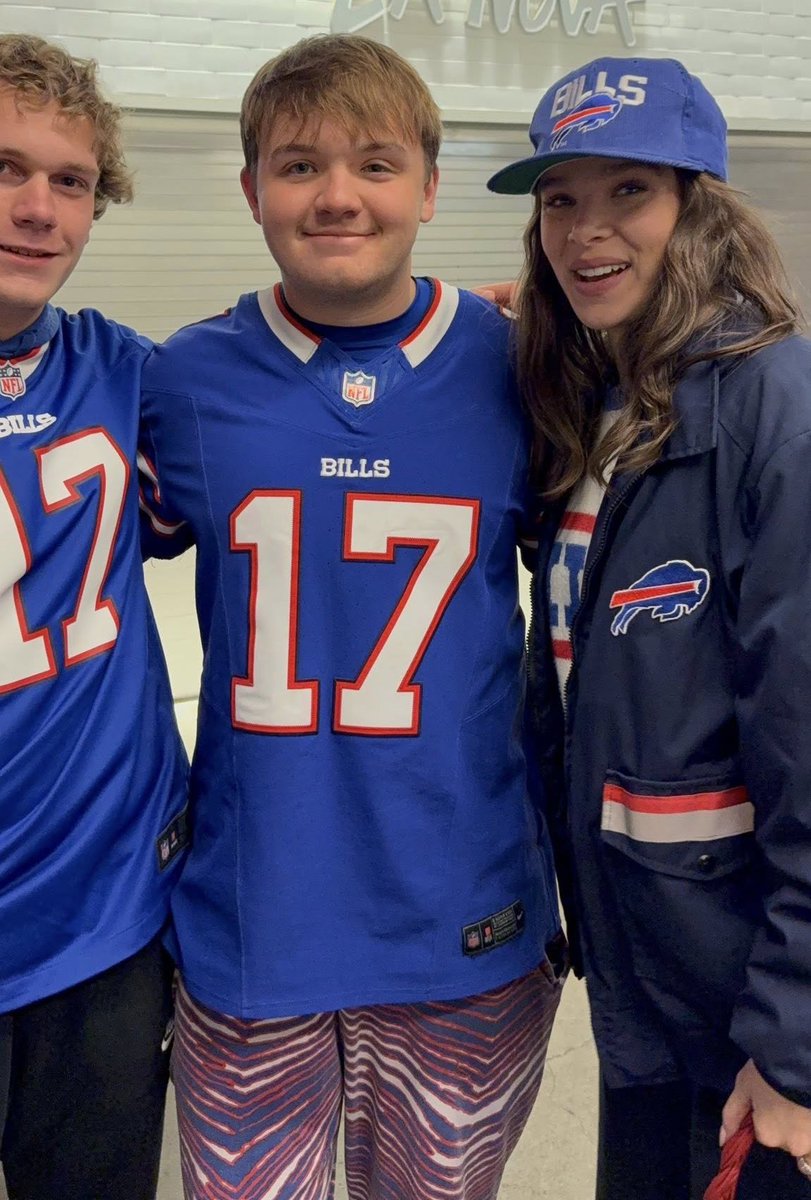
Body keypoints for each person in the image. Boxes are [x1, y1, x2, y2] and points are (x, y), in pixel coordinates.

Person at [138, 33, 564, 1200]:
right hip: (251, 922)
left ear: (429, 187)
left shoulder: (527, 366)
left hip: (465, 918)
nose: (337, 196)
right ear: (251, 191)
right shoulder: (181, 381)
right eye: (299, 165)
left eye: (376, 164)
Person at [486, 54, 811, 1199]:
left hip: (747, 1013)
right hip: (647, 982)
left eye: (628, 191)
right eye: (560, 199)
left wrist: (794, 1042)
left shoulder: (773, 416)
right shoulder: (604, 411)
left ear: (698, 207)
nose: (586, 230)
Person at [0, 34, 188, 1200]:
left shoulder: (133, 379)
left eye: (70, 180)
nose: (38, 208)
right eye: (5, 168)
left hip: (99, 924)